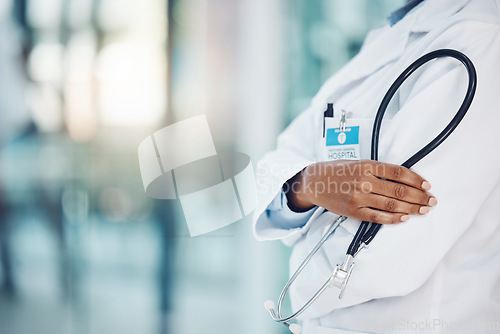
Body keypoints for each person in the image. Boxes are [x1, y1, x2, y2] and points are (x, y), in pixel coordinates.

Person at [254, 0, 500, 333]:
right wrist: (310, 182)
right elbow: (278, 159)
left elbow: (393, 250)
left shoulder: (478, 40)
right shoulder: (393, 34)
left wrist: (304, 273)